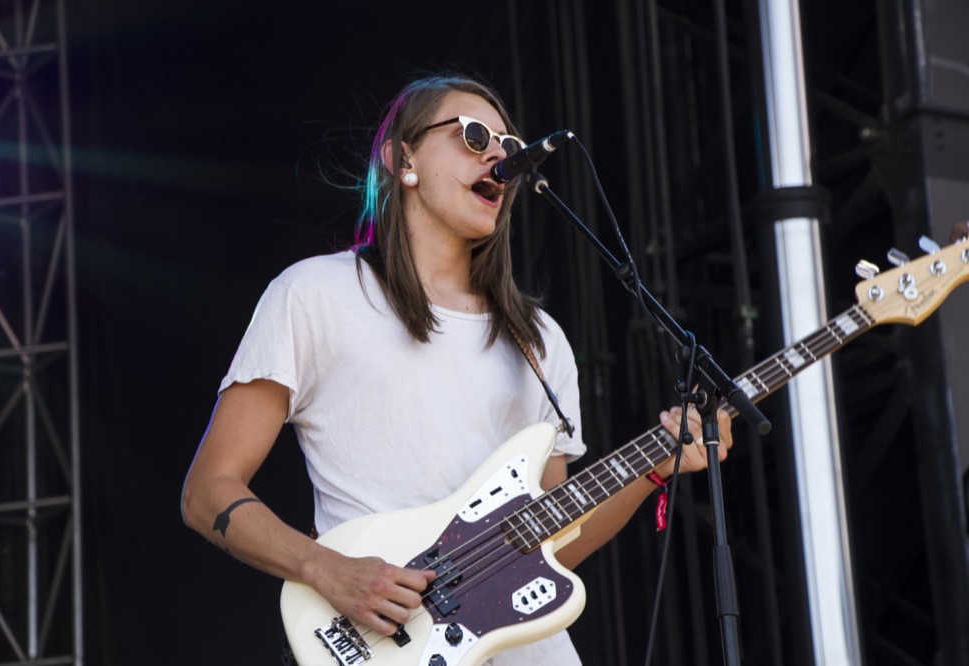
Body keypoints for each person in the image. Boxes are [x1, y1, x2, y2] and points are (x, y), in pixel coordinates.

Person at [181, 72, 732, 665]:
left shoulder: (539, 339)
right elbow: (208, 490)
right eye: (474, 136)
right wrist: (328, 570)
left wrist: (654, 467)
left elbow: (552, 546)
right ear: (403, 158)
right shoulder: (315, 294)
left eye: (509, 146)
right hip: (387, 640)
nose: (499, 154)